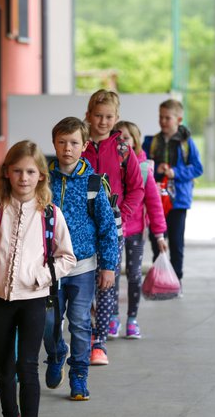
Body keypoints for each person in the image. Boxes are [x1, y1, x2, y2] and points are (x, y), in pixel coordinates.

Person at [0, 140, 76, 417]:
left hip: (34, 299)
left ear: (41, 177)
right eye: (18, 171)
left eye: (31, 172)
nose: (24, 178)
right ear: (7, 173)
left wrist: (42, 276)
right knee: (4, 366)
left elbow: (67, 258)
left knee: (28, 366)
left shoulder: (50, 214)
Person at [42, 117, 118, 400]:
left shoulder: (93, 182)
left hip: (83, 267)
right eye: (62, 142)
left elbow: (107, 227)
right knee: (49, 323)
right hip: (49, 269)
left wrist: (108, 266)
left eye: (74, 143)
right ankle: (56, 353)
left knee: (79, 323)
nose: (67, 148)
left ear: (84, 145)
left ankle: (78, 376)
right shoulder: (43, 180)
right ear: (54, 144)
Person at [81, 89, 144, 365]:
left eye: (109, 116)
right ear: (88, 116)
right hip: (80, 229)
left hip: (112, 230)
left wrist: (125, 216)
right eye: (98, 115)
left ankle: (99, 343)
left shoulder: (123, 150)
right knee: (81, 284)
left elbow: (137, 188)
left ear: (116, 118)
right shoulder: (78, 146)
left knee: (107, 283)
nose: (103, 121)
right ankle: (82, 334)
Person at [142, 99, 203, 294]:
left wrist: (175, 173)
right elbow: (142, 166)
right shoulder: (151, 142)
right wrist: (157, 170)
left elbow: (197, 168)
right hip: (156, 201)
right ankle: (159, 280)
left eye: (167, 118)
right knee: (156, 239)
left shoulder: (186, 144)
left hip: (178, 202)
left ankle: (176, 282)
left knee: (176, 243)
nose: (163, 121)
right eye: (161, 117)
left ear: (179, 119)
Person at [114, 120, 168, 338]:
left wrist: (159, 235)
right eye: (117, 138)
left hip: (136, 232)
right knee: (111, 275)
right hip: (113, 233)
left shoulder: (144, 170)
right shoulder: (110, 167)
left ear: (136, 142)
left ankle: (132, 319)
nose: (121, 142)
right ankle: (111, 318)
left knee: (135, 275)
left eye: (126, 138)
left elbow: (154, 205)